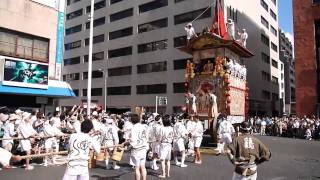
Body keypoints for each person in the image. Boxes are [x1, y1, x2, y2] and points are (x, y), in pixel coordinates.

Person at [126, 114, 149, 180]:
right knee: (143, 167)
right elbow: (146, 137)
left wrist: (129, 147)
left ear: (132, 120)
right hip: (143, 148)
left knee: (137, 168)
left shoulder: (133, 128)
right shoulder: (144, 127)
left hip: (137, 149)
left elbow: (133, 141)